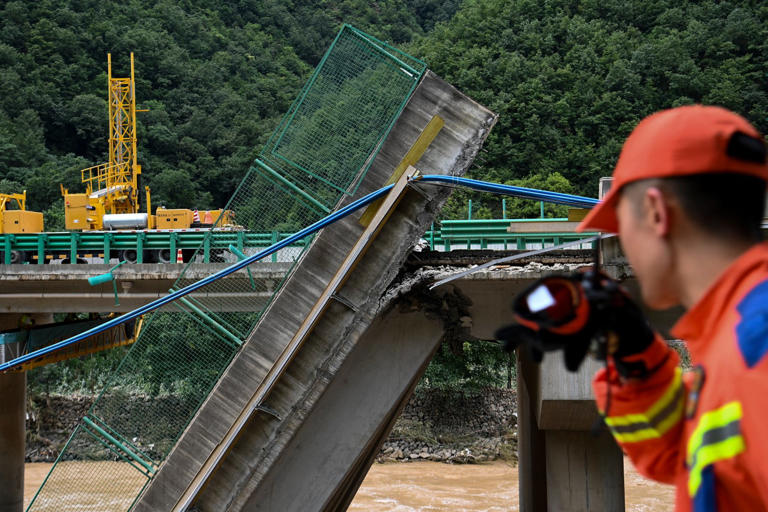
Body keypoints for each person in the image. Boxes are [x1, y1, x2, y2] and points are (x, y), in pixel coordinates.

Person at [500, 105, 768, 511]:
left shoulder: (756, 341)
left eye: (620, 226)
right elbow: (678, 451)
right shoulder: (734, 338)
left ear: (657, 213)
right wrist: (633, 353)